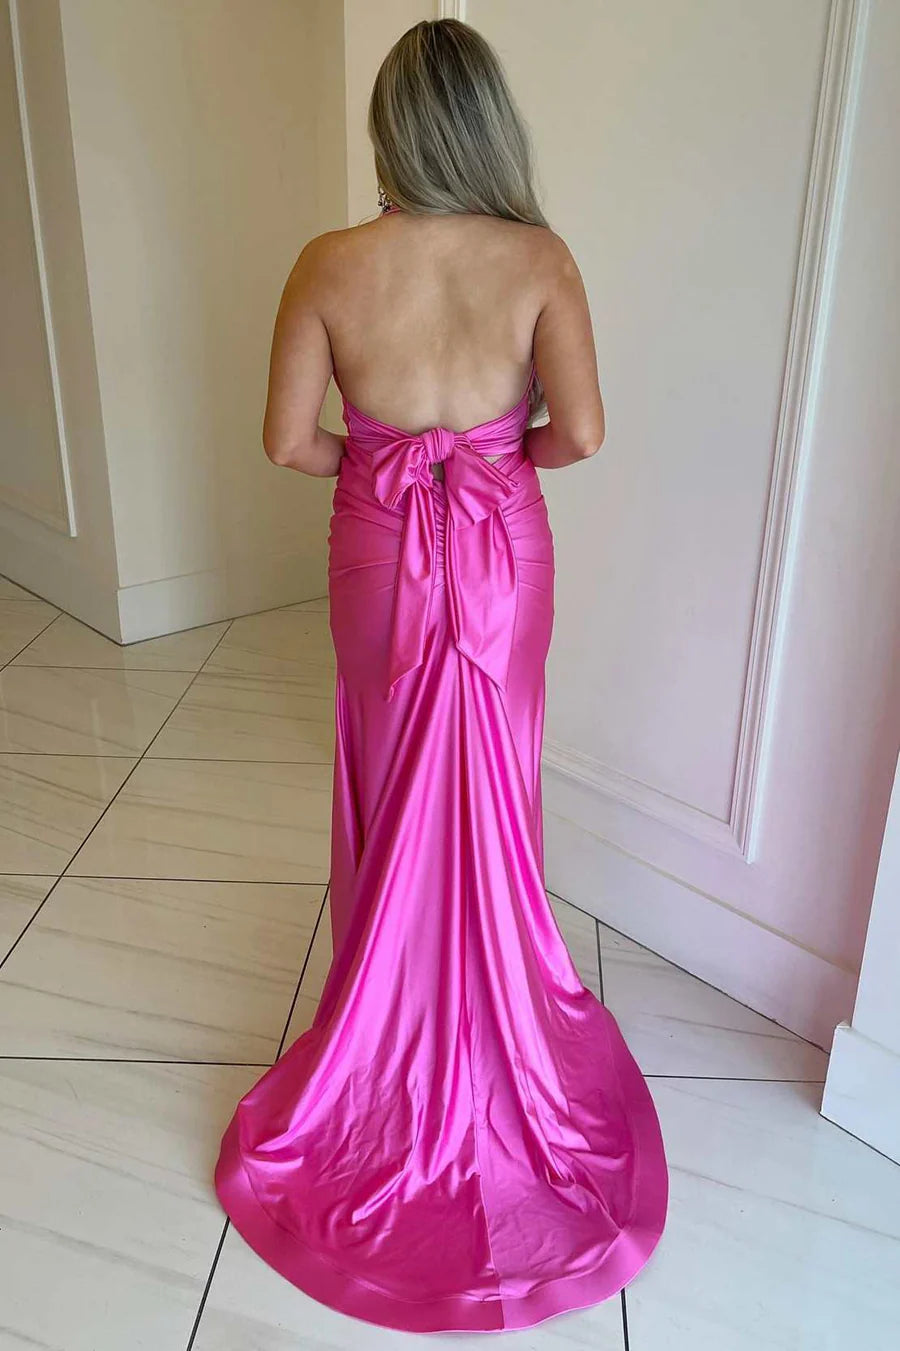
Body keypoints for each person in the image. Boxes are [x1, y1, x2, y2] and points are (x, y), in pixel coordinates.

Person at [214, 17, 667, 1334]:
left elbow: (285, 440)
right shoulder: (539, 259)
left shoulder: (329, 262)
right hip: (504, 551)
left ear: (389, 132)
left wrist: (383, 467)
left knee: (383, 772)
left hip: (376, 552)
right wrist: (490, 459)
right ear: (488, 126)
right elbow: (582, 432)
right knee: (493, 780)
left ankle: (380, 1043)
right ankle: (496, 1029)